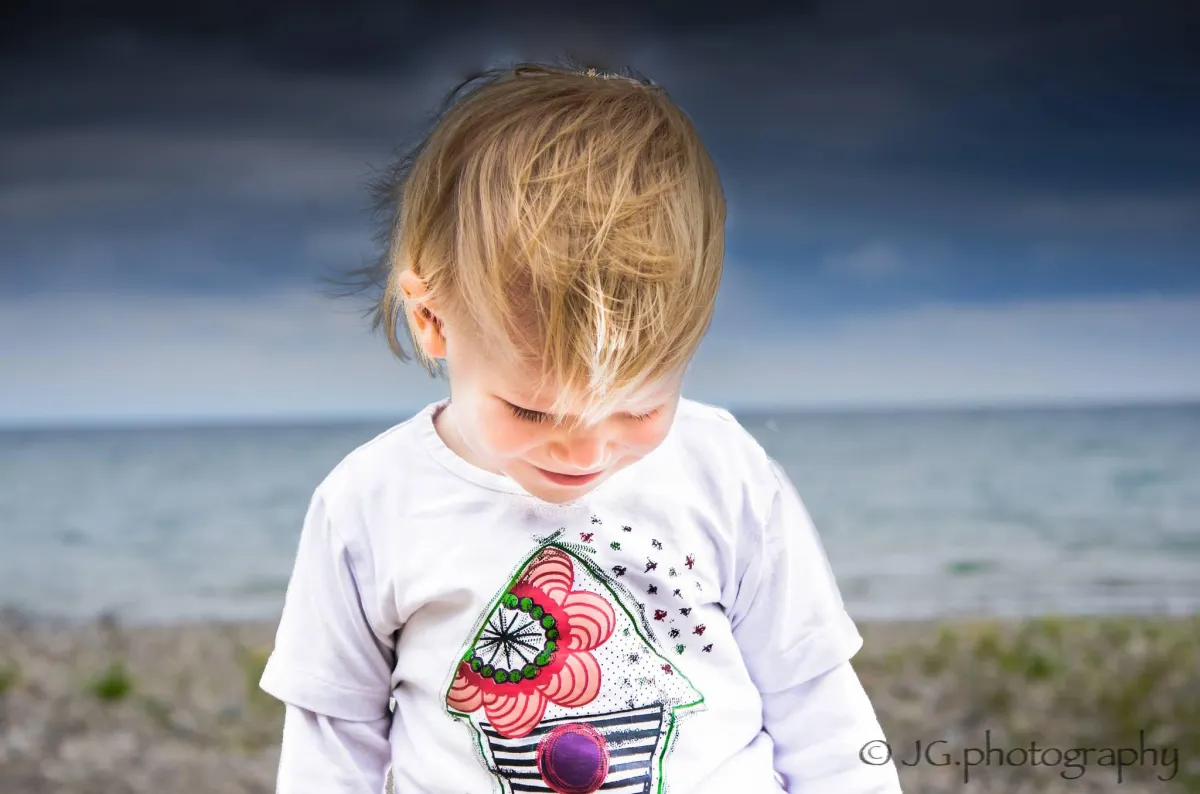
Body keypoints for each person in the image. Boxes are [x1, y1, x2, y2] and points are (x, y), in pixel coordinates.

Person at [260, 60, 903, 794]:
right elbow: (332, 746)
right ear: (432, 318)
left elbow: (817, 705)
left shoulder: (722, 470)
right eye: (532, 411)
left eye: (639, 409)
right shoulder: (370, 503)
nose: (588, 452)